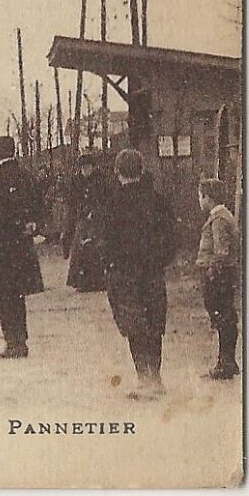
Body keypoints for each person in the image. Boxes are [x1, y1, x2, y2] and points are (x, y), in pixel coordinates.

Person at [101, 148, 175, 398]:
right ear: (141, 170)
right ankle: (155, 377)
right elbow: (171, 240)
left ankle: (145, 380)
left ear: (117, 171)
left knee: (134, 325)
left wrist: (110, 266)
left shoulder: (111, 203)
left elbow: (105, 242)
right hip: (152, 273)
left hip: (124, 275)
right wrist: (159, 261)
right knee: (154, 323)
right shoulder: (158, 200)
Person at [0, 135, 44, 359]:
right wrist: (30, 224)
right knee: (17, 297)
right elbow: (38, 205)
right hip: (20, 249)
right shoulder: (25, 175)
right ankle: (20, 342)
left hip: (0, 250)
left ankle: (12, 343)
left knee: (4, 298)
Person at [196, 178, 240, 381]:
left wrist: (212, 273)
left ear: (208, 197)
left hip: (218, 277)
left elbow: (221, 251)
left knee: (222, 317)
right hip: (223, 275)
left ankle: (226, 363)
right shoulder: (223, 216)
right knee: (225, 316)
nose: (199, 200)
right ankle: (226, 362)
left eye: (200, 196)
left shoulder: (219, 219)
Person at [66, 152, 112, 292]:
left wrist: (96, 211)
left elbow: (106, 199)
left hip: (98, 219)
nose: (86, 170)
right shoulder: (75, 181)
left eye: (88, 167)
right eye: (83, 167)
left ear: (93, 167)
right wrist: (79, 214)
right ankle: (81, 281)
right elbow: (73, 202)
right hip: (82, 218)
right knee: (79, 248)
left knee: (97, 247)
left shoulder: (101, 180)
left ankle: (99, 280)